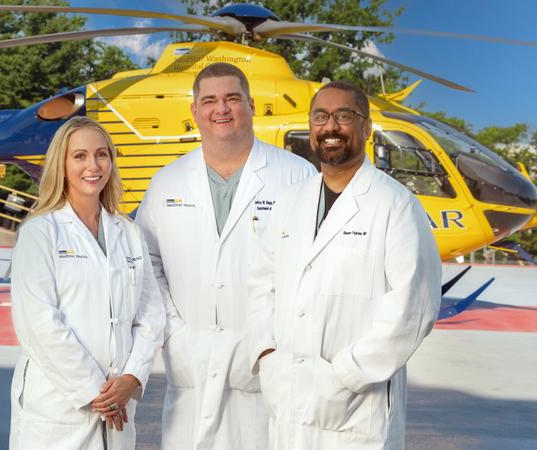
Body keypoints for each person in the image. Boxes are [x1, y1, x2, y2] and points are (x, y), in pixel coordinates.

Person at [247, 81, 441, 449]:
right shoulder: (290, 201)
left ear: (366, 128)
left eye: (344, 116)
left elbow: (414, 308)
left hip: (356, 405)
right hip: (287, 392)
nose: (331, 127)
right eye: (321, 116)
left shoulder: (394, 204)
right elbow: (261, 284)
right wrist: (266, 353)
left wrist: (346, 376)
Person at [136, 62, 317, 449]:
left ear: (252, 105)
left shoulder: (297, 176)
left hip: (269, 358)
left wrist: (269, 340)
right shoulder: (167, 181)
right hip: (190, 359)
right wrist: (174, 331)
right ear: (195, 112)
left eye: (233, 98)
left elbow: (311, 268)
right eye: (210, 100)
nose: (222, 109)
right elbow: (147, 264)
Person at [8, 116, 165, 450]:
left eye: (101, 154)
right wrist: (99, 393)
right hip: (60, 407)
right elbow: (39, 324)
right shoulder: (40, 233)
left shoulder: (129, 233)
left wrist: (132, 377)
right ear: (61, 165)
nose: (93, 165)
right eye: (79, 156)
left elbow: (151, 315)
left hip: (120, 403)